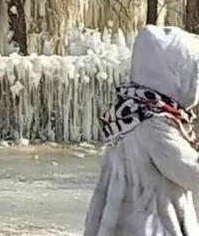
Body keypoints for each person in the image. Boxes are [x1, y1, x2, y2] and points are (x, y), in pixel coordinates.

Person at [85, 25, 199, 236]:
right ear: (174, 74)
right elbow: (191, 173)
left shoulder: (128, 114)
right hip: (150, 227)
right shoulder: (155, 124)